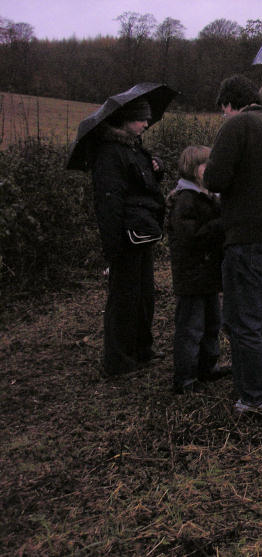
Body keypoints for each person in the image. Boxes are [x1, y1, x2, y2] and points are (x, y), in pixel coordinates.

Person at [203, 75, 262, 413]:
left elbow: (214, 178)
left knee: (244, 320)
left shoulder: (237, 126)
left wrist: (203, 176)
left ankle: (252, 398)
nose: (223, 116)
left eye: (223, 110)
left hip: (251, 239)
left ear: (229, 104)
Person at [91, 97, 166, 376]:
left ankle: (141, 348)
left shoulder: (133, 148)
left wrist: (157, 165)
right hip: (125, 237)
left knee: (144, 294)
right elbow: (109, 202)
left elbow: (143, 181)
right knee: (124, 298)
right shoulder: (110, 153)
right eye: (141, 119)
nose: (146, 123)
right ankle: (118, 361)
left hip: (142, 233)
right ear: (126, 120)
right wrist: (112, 247)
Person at [166, 145, 228, 394]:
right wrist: (220, 224)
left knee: (213, 322)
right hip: (192, 275)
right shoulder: (185, 200)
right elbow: (190, 237)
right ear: (193, 169)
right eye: (206, 165)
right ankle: (185, 378)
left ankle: (207, 367)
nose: (210, 169)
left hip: (208, 274)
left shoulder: (207, 195)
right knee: (191, 328)